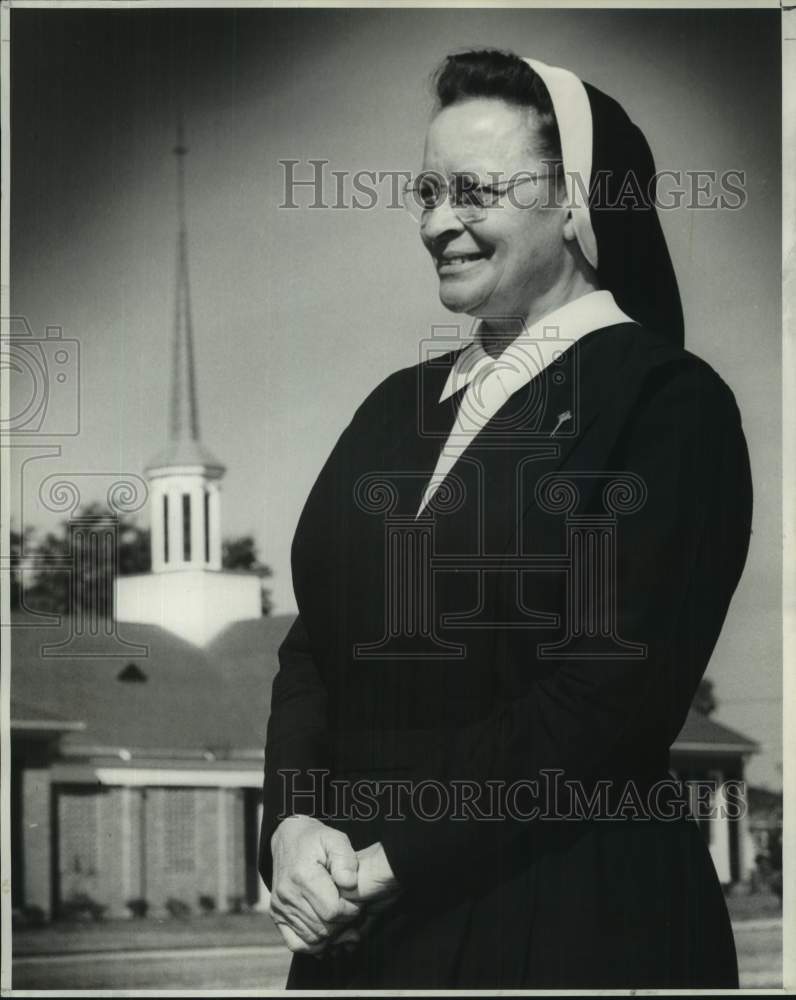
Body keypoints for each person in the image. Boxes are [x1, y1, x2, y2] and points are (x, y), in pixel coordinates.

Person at [259, 49, 753, 989]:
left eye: (475, 191)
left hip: (570, 920)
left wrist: (395, 854)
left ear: (577, 202)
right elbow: (315, 650)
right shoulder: (390, 408)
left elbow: (607, 696)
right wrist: (294, 823)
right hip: (364, 933)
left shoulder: (663, 403)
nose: (439, 222)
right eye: (426, 192)